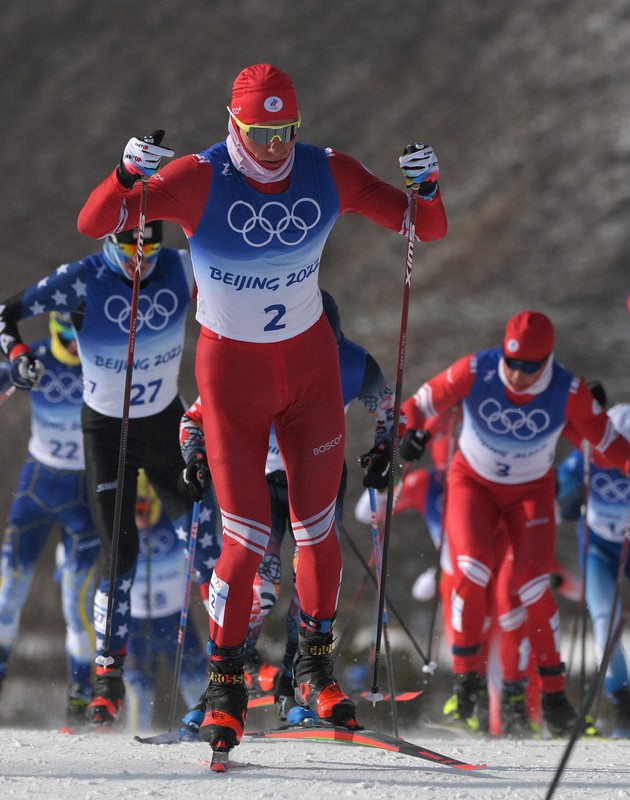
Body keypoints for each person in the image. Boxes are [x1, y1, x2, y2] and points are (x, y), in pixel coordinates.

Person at [76, 62, 448, 750]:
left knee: (318, 530)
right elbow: (94, 219)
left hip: (309, 371)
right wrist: (127, 176)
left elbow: (425, 226)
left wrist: (425, 187)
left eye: (285, 130)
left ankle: (314, 667)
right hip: (232, 378)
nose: (273, 145)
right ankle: (226, 684)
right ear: (232, 123)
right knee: (244, 539)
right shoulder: (197, 178)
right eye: (259, 131)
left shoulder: (326, 170)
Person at [0, 222, 214, 726]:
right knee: (105, 554)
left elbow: (243, 290)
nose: (140, 265)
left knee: (203, 539)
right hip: (93, 444)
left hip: (161, 424)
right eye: (128, 255)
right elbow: (8, 311)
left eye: (149, 255)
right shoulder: (80, 281)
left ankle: (229, 675)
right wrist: (15, 356)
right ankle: (103, 679)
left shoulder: (181, 267)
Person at [399, 310, 630, 737]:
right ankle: (466, 682)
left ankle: (556, 699)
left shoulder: (567, 388)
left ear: (547, 360)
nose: (518, 375)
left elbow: (610, 446)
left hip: (530, 494)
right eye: (512, 362)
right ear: (503, 351)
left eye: (530, 367)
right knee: (472, 568)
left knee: (533, 585)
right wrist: (406, 433)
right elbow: (417, 404)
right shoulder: (476, 368)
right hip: (473, 485)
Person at [178, 290, 397, 727]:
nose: (320, 358)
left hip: (316, 471)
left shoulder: (354, 362)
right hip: (258, 477)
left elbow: (390, 409)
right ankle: (229, 676)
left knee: (311, 578)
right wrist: (196, 458)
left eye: (329, 347)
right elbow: (194, 418)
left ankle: (304, 679)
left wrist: (384, 449)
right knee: (260, 585)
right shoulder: (263, 357)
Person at [0, 313, 100, 723]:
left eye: (81, 339)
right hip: (36, 486)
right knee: (8, 594)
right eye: (68, 340)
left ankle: (82, 695)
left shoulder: (101, 360)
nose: (76, 349)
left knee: (76, 602)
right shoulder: (36, 359)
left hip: (83, 494)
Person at [557, 392, 630, 738]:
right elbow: (556, 490)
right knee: (605, 623)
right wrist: (567, 502)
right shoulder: (589, 450)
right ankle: (624, 706)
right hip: (600, 547)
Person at [124, 470, 216, 731]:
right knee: (138, 685)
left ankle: (207, 726)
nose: (140, 516)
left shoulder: (169, 515)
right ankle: (134, 738)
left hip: (175, 615)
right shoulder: (120, 521)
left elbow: (202, 542)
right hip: (135, 619)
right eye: (135, 508)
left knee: (195, 677)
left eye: (144, 508)